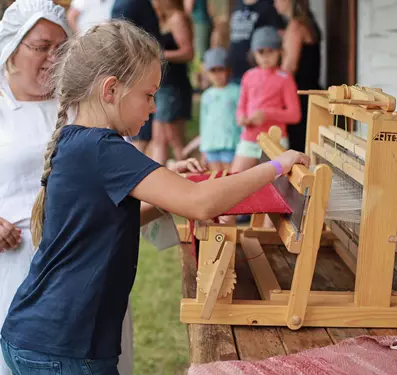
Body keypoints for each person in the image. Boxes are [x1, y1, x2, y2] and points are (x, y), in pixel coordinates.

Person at [0, 19, 309, 374]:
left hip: (42, 335)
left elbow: (109, 219)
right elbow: (201, 202)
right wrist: (276, 165)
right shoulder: (105, 149)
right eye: (148, 95)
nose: (152, 107)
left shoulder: (78, 140)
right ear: (111, 89)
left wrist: (167, 191)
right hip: (64, 348)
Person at [0, 1, 70, 374]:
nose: (53, 58)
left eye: (61, 47)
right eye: (42, 47)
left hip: (77, 271)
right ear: (12, 46)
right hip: (10, 270)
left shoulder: (79, 104)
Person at [231, 25, 301, 174]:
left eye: (271, 51)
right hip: (249, 138)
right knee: (236, 176)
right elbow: (241, 105)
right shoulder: (248, 76)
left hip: (276, 140)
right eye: (261, 52)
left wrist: (267, 114)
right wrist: (241, 117)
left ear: (280, 52)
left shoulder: (285, 78)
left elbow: (295, 115)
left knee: (277, 185)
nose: (266, 56)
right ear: (253, 53)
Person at [110, 0, 162, 154]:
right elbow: (119, 39)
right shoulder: (130, 3)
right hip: (135, 77)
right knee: (140, 138)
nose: (154, 107)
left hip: (140, 76)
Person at [149, 0, 194, 166]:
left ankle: (189, 175)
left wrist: (159, 55)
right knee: (159, 138)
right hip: (161, 85)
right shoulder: (161, 19)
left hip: (174, 85)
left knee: (175, 139)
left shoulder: (177, 18)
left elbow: (188, 52)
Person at [274, 0, 321, 152]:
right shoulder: (303, 23)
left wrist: (274, 91)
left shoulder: (295, 26)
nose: (275, 2)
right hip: (310, 92)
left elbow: (289, 67)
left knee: (298, 148)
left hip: (299, 95)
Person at [199, 47, 241, 171]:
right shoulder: (206, 95)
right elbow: (204, 124)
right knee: (215, 178)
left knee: (230, 178)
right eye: (213, 71)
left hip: (231, 144)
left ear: (228, 70)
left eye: (220, 70)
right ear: (207, 73)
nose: (217, 74)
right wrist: (203, 149)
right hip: (211, 145)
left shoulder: (237, 91)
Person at [227, 0, 284, 84]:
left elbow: (279, 35)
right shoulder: (238, 3)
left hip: (258, 72)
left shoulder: (268, 5)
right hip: (234, 69)